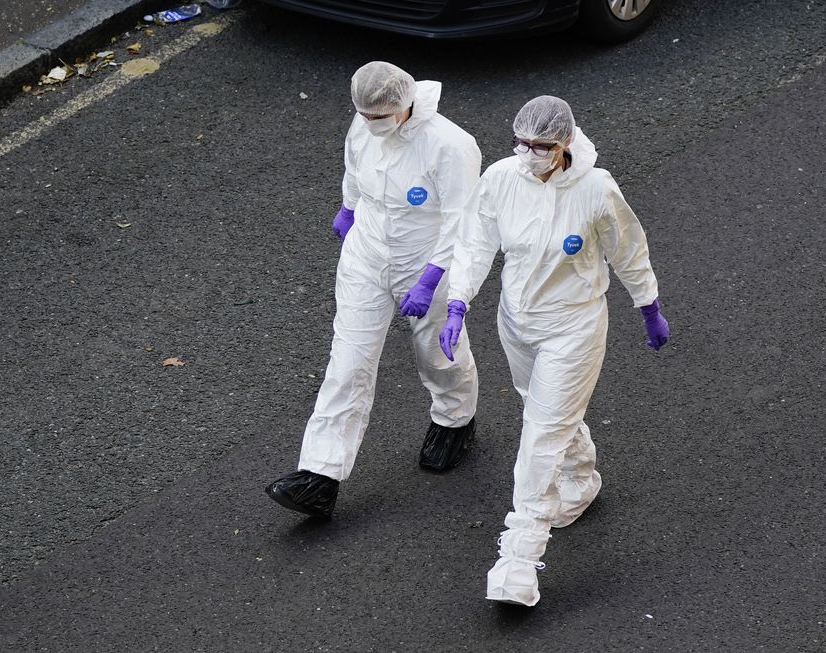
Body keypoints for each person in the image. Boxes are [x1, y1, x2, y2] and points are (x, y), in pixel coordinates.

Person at [439, 96, 669, 606]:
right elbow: (475, 242)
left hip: (574, 327)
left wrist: (647, 304)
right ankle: (580, 479)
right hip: (517, 324)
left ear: (564, 143)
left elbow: (628, 248)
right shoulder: (502, 178)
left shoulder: (595, 188)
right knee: (547, 414)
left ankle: (518, 560)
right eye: (521, 143)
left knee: (541, 435)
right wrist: (458, 301)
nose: (529, 153)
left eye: (540, 146)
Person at [266, 62, 481, 519]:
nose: (372, 125)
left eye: (380, 118)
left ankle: (455, 419)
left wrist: (430, 278)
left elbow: (463, 221)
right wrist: (347, 209)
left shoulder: (450, 145)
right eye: (365, 117)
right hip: (367, 255)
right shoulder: (365, 122)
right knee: (348, 361)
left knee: (436, 353)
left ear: (406, 105)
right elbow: (353, 167)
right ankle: (319, 477)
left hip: (426, 264)